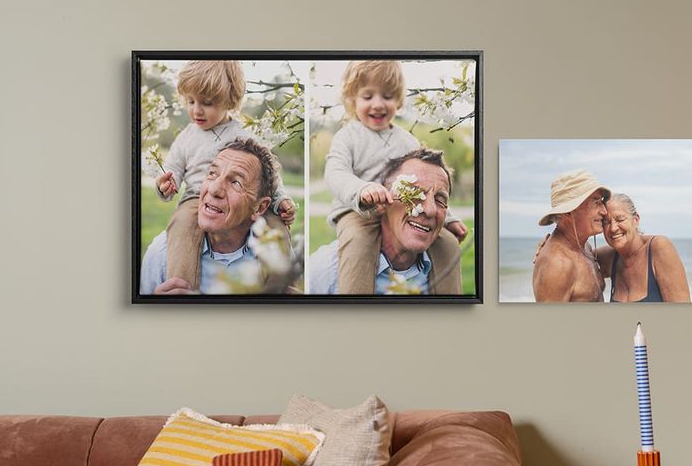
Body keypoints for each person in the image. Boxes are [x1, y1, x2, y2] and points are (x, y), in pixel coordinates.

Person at [324, 60, 467, 294]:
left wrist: (448, 218)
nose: (378, 104)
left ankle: (448, 305)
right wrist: (362, 191)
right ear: (353, 99)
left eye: (387, 96)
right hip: (357, 211)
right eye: (368, 97)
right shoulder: (347, 137)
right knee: (358, 245)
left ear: (398, 100)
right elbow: (335, 173)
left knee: (448, 243)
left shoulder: (406, 141)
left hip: (404, 208)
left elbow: (427, 183)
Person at [154, 60, 296, 290]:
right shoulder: (187, 138)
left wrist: (281, 200)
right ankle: (181, 288)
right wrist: (165, 187)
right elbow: (173, 172)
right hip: (195, 198)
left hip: (243, 198)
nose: (196, 110)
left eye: (207, 103)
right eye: (190, 101)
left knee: (276, 225)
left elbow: (268, 173)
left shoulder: (244, 133)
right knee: (182, 226)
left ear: (229, 101)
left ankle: (279, 287)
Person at [141, 138, 290, 295]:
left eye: (236, 182)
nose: (214, 189)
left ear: (259, 207)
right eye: (212, 173)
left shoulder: (276, 254)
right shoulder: (162, 252)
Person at [309, 148, 461, 295]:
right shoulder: (324, 270)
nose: (430, 210)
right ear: (382, 203)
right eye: (413, 193)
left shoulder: (446, 268)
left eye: (440, 200)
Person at [595, 193, 690, 302]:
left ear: (636, 220)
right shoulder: (610, 257)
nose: (613, 228)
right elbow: (580, 257)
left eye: (620, 220)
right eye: (606, 222)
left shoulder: (659, 247)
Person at [532, 170, 610, 302]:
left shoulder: (585, 247)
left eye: (602, 202)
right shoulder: (557, 265)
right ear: (568, 212)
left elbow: (629, 254)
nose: (604, 211)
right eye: (596, 203)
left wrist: (654, 243)